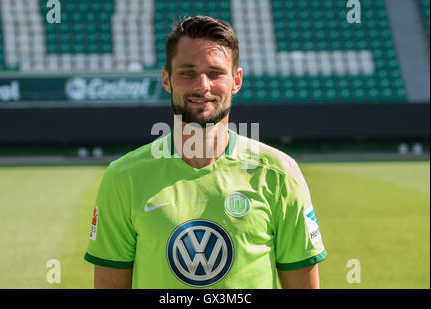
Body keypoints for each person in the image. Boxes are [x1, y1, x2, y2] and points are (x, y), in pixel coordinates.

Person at [84, 15, 327, 289]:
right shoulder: (123, 178)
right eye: (187, 72)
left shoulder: (280, 173)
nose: (202, 85)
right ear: (166, 79)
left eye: (215, 73)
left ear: (236, 80)